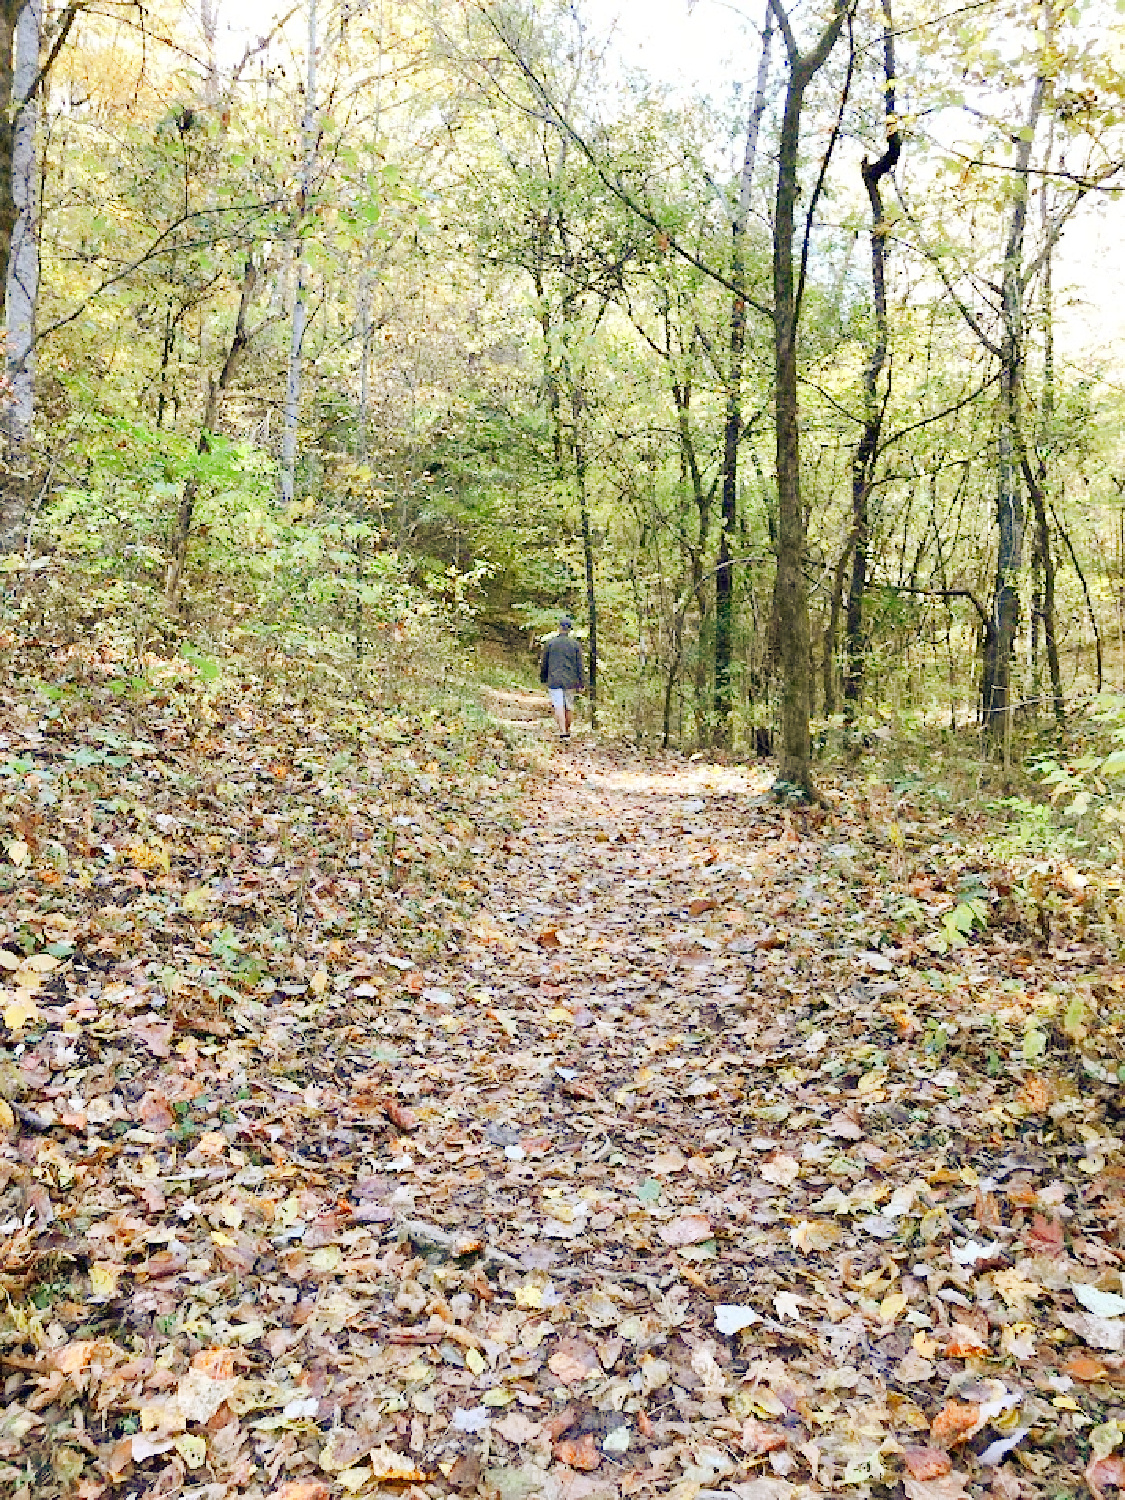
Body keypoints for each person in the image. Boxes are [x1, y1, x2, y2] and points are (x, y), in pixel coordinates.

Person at [539, 617, 586, 740]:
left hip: (554, 679)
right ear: (569, 629)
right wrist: (581, 682)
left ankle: (562, 731)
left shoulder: (550, 644)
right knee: (568, 706)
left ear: (559, 628)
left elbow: (545, 662)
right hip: (571, 681)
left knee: (558, 705)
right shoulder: (575, 645)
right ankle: (568, 730)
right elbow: (580, 665)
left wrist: (543, 677)